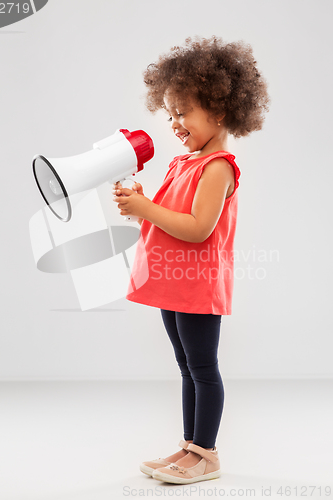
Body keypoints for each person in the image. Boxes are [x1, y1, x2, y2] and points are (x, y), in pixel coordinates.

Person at [112, 35, 270, 485]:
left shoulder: (218, 166)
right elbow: (167, 219)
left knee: (203, 367)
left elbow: (198, 227)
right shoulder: (184, 163)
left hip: (198, 284)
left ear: (219, 110)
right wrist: (142, 202)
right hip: (174, 282)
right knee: (186, 367)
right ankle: (188, 447)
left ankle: (207, 454)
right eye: (171, 115)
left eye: (183, 112)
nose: (175, 123)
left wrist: (146, 210)